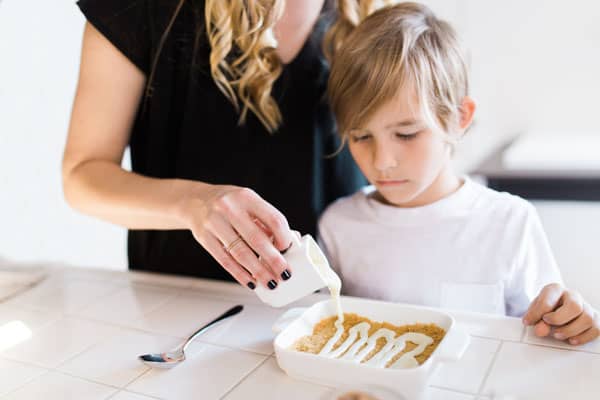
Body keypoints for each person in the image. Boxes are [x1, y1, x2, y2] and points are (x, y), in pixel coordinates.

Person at [62, 1, 398, 289]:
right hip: (183, 310)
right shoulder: (143, 8)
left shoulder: (372, 13)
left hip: (329, 309)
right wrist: (195, 204)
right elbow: (83, 176)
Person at [318, 2, 599, 345]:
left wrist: (570, 318)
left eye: (406, 133)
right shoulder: (338, 225)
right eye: (361, 137)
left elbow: (549, 334)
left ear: (459, 117)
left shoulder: (510, 222)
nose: (383, 161)